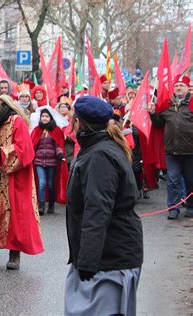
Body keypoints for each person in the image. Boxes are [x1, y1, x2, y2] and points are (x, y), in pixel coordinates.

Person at [64, 96, 143, 316]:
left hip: (109, 259)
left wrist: (88, 260)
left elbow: (97, 210)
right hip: (105, 255)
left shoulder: (100, 155)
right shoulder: (98, 147)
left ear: (79, 122)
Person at [0, 94, 44, 270]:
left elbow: (24, 150)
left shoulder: (16, 121)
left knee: (15, 214)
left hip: (15, 176)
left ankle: (15, 254)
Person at [148, 75, 193, 219]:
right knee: (172, 180)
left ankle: (191, 206)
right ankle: (173, 208)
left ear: (188, 88)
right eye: (176, 85)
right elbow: (158, 124)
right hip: (171, 151)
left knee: (190, 180)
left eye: (182, 85)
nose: (179, 88)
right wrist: (153, 113)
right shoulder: (167, 105)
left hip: (190, 151)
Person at [31, 107, 68, 214]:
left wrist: (60, 154)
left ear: (50, 118)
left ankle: (51, 205)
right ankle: (41, 206)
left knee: (51, 184)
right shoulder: (36, 130)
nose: (44, 118)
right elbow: (32, 145)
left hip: (52, 162)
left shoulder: (56, 130)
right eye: (43, 116)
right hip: (39, 161)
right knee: (42, 183)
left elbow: (58, 145)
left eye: (47, 116)